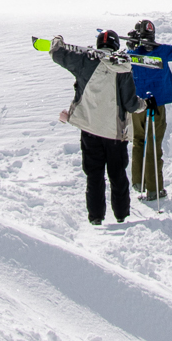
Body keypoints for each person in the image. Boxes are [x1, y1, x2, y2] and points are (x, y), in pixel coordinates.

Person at [46, 31, 140, 224]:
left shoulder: (84, 61)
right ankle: (122, 216)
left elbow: (57, 54)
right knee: (118, 175)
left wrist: (58, 41)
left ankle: (96, 217)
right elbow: (131, 104)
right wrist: (144, 104)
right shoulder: (123, 68)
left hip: (89, 130)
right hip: (115, 133)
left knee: (94, 176)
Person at [125, 19, 172, 200]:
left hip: (137, 105)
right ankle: (154, 188)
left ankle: (139, 182)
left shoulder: (131, 53)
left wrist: (131, 47)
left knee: (139, 141)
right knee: (153, 145)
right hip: (157, 104)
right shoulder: (162, 51)